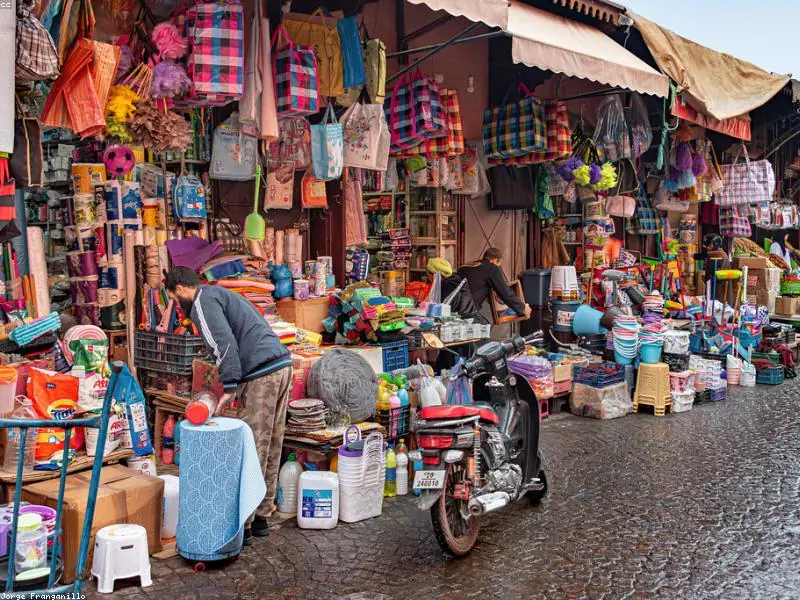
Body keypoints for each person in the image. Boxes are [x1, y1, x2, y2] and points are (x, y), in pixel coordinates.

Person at [165, 267, 293, 545]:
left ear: (180, 289)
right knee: (271, 444)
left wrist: (230, 386)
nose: (177, 305)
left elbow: (223, 343)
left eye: (175, 299)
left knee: (253, 448)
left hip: (262, 372)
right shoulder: (218, 294)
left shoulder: (201, 302)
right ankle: (261, 518)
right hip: (281, 366)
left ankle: (243, 525)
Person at [457, 248, 531, 320]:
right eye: (499, 265)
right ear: (495, 260)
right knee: (484, 328)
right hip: (466, 310)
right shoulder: (491, 268)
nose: (498, 267)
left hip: (452, 305)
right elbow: (505, 293)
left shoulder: (466, 266)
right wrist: (523, 309)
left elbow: (475, 286)